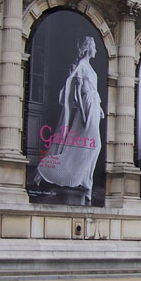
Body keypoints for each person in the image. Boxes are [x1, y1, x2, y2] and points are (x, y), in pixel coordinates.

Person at [35, 35, 104, 202]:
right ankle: (79, 181)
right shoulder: (81, 65)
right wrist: (84, 112)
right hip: (87, 106)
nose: (95, 50)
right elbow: (78, 93)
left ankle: (86, 181)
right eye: (93, 47)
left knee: (92, 147)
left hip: (94, 105)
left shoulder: (89, 66)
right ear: (88, 48)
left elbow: (93, 90)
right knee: (92, 146)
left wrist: (99, 108)